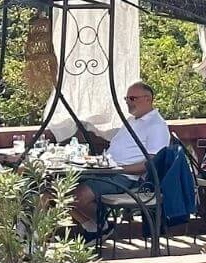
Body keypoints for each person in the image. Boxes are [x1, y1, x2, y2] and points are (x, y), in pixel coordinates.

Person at [73, 81, 172, 233]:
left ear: (148, 99)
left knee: (78, 196)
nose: (128, 102)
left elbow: (153, 163)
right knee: (58, 190)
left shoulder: (156, 125)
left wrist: (119, 169)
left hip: (126, 178)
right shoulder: (133, 120)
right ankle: (95, 227)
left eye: (132, 98)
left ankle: (101, 225)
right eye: (126, 99)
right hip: (108, 170)